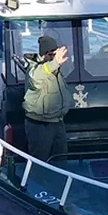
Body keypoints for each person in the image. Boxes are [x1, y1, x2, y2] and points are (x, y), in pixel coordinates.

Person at [23, 35, 70, 164]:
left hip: (57, 122)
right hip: (40, 125)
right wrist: (55, 63)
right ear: (43, 55)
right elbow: (35, 78)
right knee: (40, 162)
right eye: (51, 55)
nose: (54, 58)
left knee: (61, 159)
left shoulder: (55, 70)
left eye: (55, 54)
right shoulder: (35, 69)